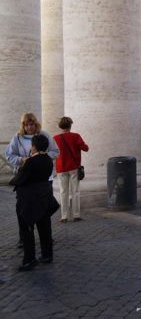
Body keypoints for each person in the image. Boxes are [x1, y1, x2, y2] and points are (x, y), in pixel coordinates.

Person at [5, 113, 59, 247]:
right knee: (22, 209)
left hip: (43, 177)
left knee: (44, 208)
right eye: (26, 124)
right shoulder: (17, 138)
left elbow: (55, 151)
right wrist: (21, 159)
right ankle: (24, 238)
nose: (29, 127)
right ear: (23, 126)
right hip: (25, 178)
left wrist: (41, 156)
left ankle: (46, 238)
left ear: (36, 124)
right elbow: (9, 155)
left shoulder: (44, 135)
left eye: (32, 124)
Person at [9, 134, 59, 271]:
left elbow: (19, 179)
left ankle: (29, 259)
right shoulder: (48, 160)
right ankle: (47, 254)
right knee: (44, 227)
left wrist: (20, 170)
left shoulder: (30, 162)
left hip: (29, 200)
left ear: (34, 147)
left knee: (26, 229)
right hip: (44, 197)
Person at [53, 117, 89, 223]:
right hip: (73, 167)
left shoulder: (55, 138)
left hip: (61, 168)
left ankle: (64, 216)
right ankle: (76, 215)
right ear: (70, 125)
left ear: (60, 126)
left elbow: (52, 152)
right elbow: (86, 148)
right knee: (75, 191)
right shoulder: (76, 136)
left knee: (63, 192)